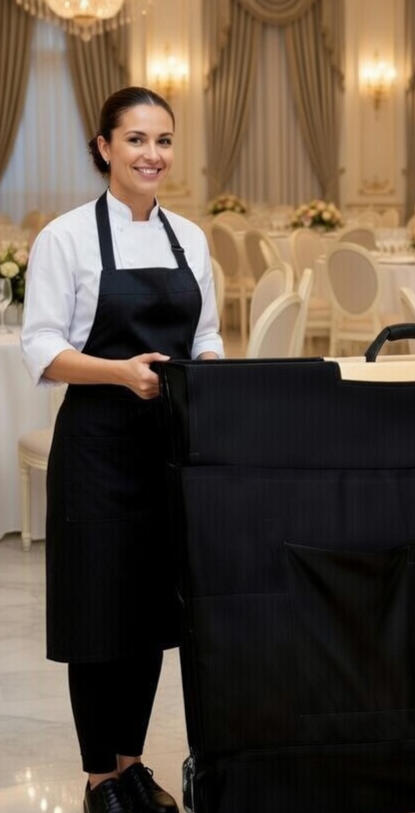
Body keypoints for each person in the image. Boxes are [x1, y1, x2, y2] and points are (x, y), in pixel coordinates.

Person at [21, 87, 223, 813]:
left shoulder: (190, 239)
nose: (152, 155)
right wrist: (120, 372)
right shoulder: (67, 238)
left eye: (163, 140)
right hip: (99, 446)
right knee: (97, 617)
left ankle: (132, 765)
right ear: (104, 147)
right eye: (136, 140)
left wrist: (208, 375)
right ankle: (100, 778)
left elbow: (206, 339)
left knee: (145, 617)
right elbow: (41, 346)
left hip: (166, 449)